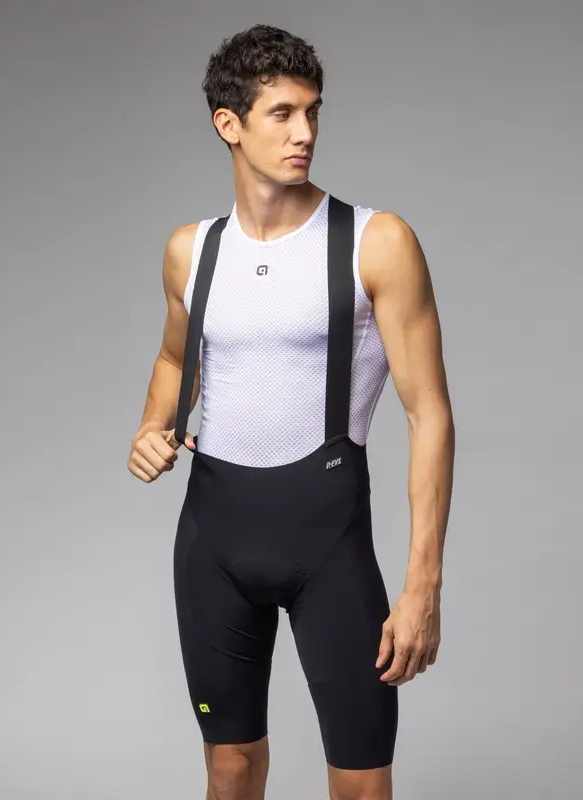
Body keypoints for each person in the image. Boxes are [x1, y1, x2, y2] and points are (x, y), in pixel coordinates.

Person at [127, 24, 455, 800]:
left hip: (328, 543)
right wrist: (153, 426)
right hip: (213, 541)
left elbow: (431, 415)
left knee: (361, 780)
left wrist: (423, 587)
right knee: (230, 766)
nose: (305, 132)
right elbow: (176, 359)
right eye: (282, 113)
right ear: (229, 124)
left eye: (313, 112)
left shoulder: (375, 242)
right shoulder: (192, 250)